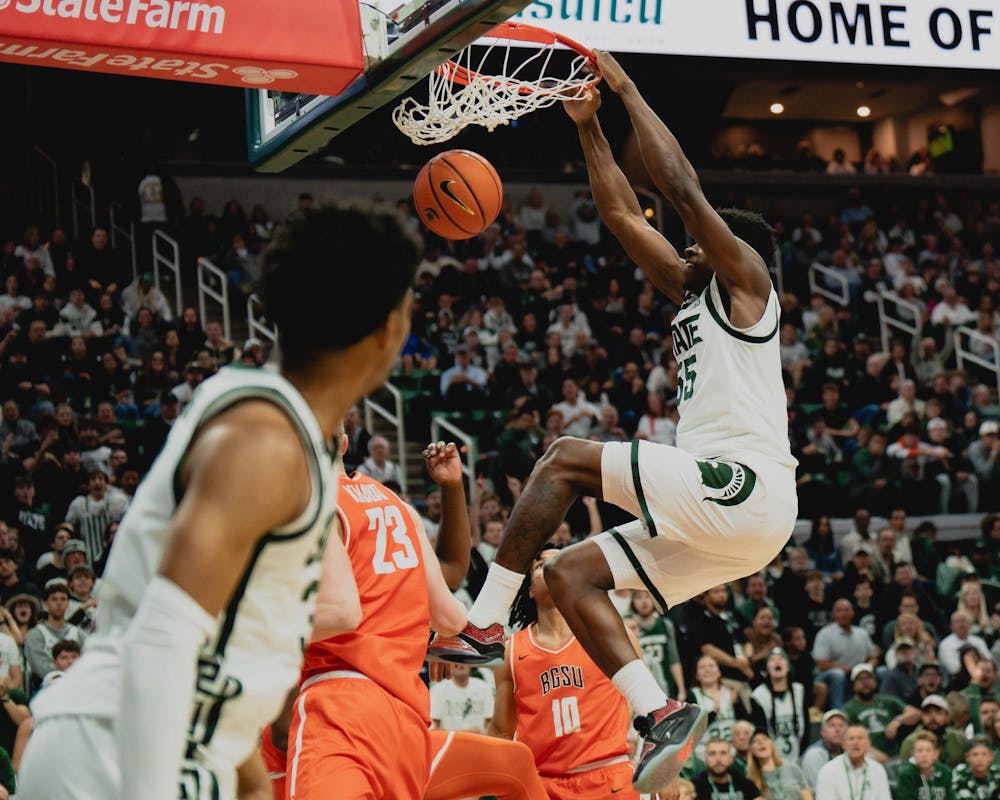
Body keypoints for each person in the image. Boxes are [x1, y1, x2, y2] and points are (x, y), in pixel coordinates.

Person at [18, 205, 420, 800]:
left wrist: (249, 781)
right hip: (117, 753)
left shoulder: (281, 432)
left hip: (169, 747)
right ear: (389, 326)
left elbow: (223, 649)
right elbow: (165, 638)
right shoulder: (265, 442)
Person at [491, 548, 641, 799]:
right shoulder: (511, 651)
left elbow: (652, 707)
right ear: (529, 590)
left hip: (608, 774)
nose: (551, 568)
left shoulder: (609, 633)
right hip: (542, 783)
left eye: (560, 562)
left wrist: (666, 768)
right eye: (541, 565)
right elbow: (501, 732)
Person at [841, 663, 919, 762]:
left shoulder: (887, 701)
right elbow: (846, 739)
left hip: (894, 755)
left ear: (875, 681)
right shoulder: (848, 709)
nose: (865, 682)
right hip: (866, 757)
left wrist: (897, 721)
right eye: (860, 679)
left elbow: (916, 714)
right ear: (853, 685)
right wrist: (876, 755)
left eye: (869, 678)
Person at [815, 725, 891, 800]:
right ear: (843, 744)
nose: (855, 742)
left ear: (868, 743)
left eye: (860, 738)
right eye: (851, 739)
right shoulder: (828, 771)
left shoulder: (878, 770)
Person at [746, 730, 812, 800]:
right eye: (755, 741)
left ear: (772, 744)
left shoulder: (792, 768)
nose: (761, 743)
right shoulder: (751, 780)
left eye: (764, 739)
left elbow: (807, 796)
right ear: (751, 750)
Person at [692, 738, 763, 800]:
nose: (718, 759)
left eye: (723, 753)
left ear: (731, 758)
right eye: (712, 754)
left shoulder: (746, 784)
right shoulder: (694, 787)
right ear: (705, 759)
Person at [895, 731, 953, 800]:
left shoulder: (945, 773)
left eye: (928, 750)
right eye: (919, 751)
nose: (924, 755)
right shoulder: (907, 775)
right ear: (913, 754)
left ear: (936, 754)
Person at [801, 709, 848, 790]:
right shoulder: (814, 754)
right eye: (832, 725)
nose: (837, 730)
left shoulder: (849, 751)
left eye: (841, 725)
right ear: (823, 732)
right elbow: (819, 789)